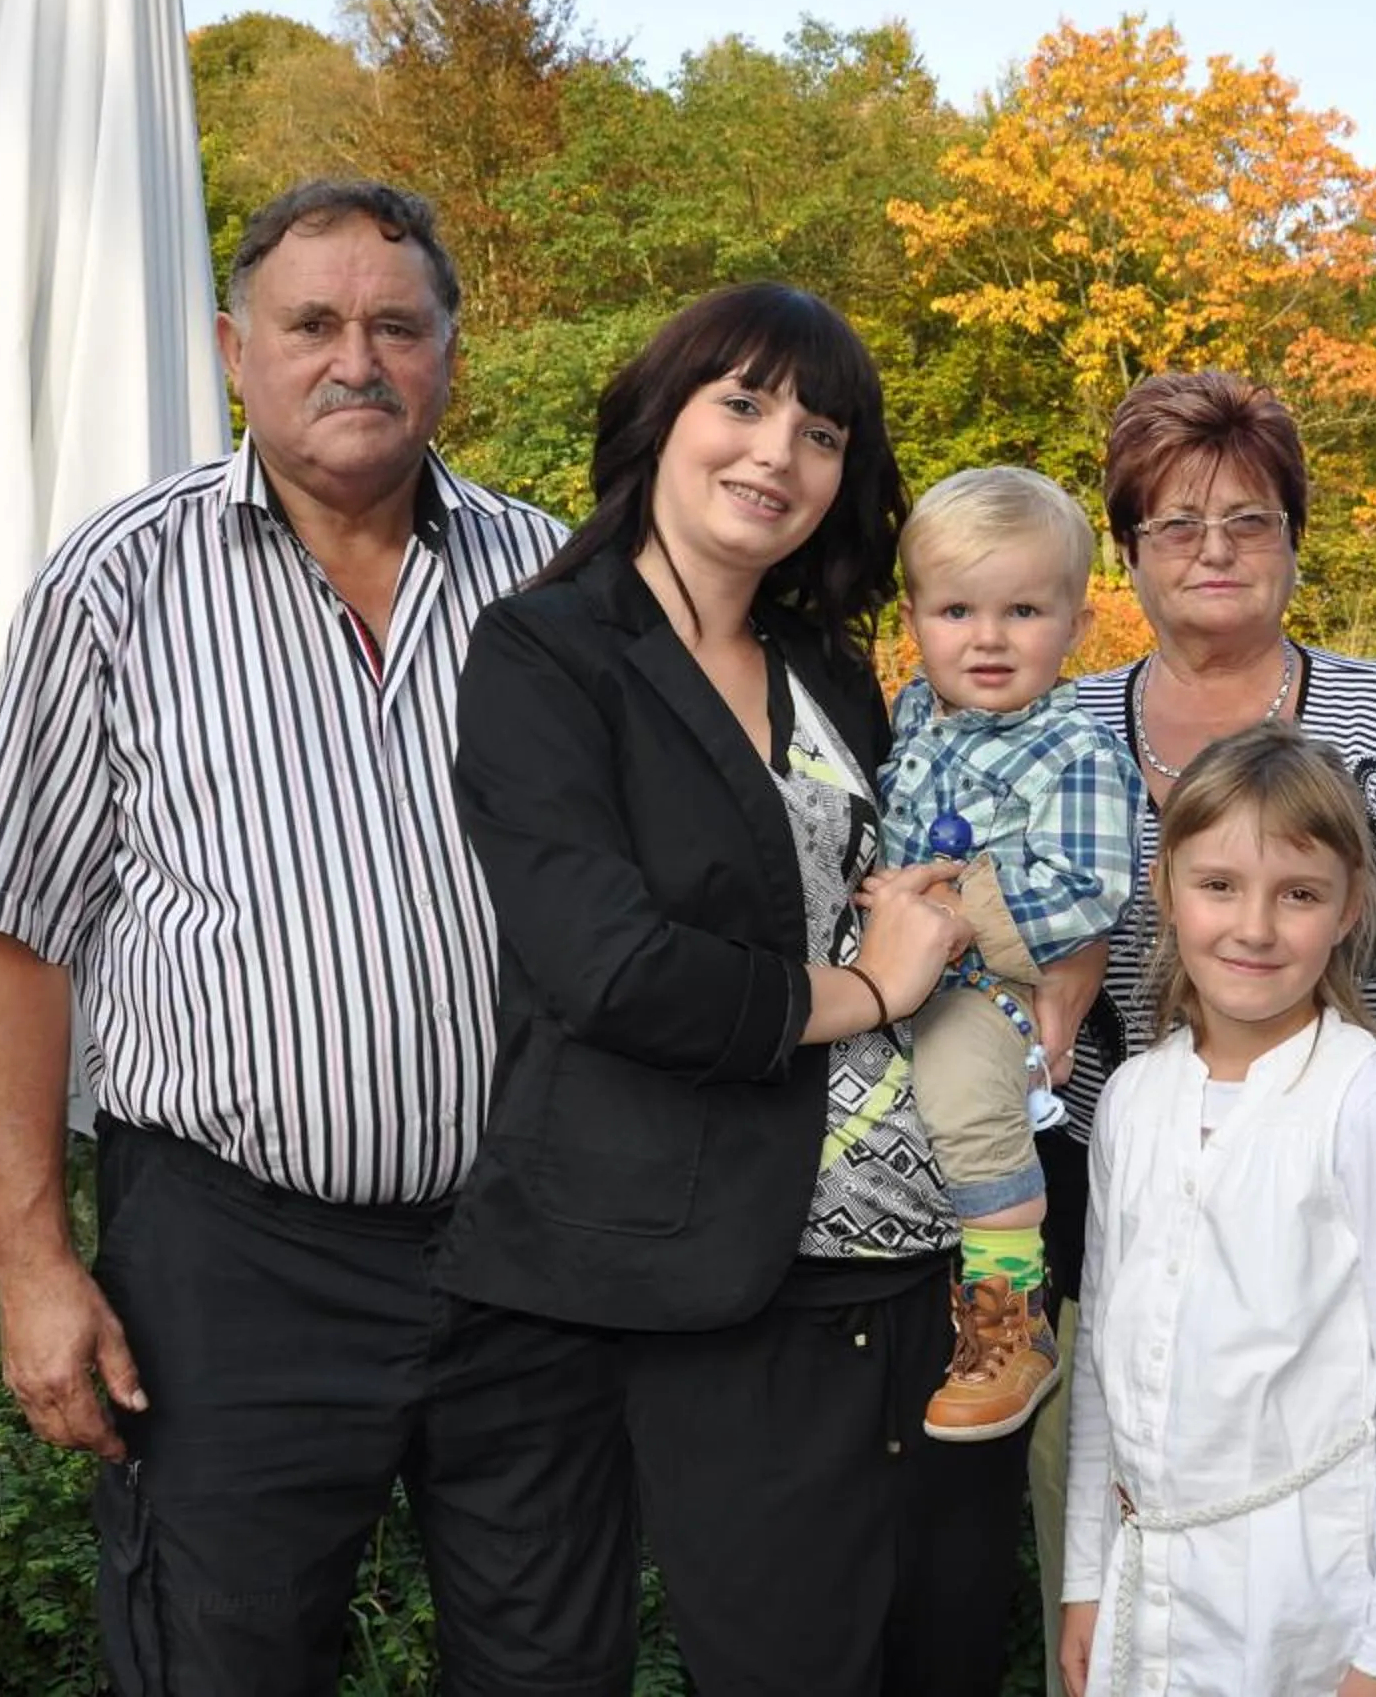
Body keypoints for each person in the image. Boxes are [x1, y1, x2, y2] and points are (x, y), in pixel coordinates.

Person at [0, 179, 578, 1694]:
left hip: (530, 1257)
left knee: (554, 1664)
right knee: (221, 1661)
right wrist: (32, 1266)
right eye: (312, 325)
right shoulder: (119, 581)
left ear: (450, 355)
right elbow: (13, 933)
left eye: (396, 327)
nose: (357, 360)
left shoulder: (555, 582)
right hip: (232, 1264)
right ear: (237, 351)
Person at [437, 282, 1028, 1695]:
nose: (778, 454)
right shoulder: (548, 651)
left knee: (939, 1658)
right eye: (745, 405)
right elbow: (610, 968)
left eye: (822, 434)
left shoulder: (830, 665)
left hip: (913, 1262)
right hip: (696, 1275)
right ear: (664, 415)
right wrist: (865, 991)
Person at [1027, 369, 1376, 1671]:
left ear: (1294, 537)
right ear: (1129, 552)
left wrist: (1323, 1137)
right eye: (1177, 524)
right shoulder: (1062, 728)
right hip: (1112, 1211)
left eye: (1250, 519)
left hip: (1321, 1232)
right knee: (1113, 1584)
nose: (1216, 549)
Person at [1057, 723, 1376, 1697]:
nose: (1254, 928)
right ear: (1164, 890)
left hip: (1303, 1600)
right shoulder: (1132, 1099)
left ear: (1350, 907)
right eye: (1219, 885)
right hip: (1144, 1586)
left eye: (1298, 895)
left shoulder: (1374, 1103)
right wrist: (1085, 1580)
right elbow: (1102, 1367)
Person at [876, 467, 1147, 1442]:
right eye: (957, 611)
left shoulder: (1074, 749)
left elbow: (1090, 886)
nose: (987, 638)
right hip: (892, 971)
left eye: (1023, 611)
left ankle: (1010, 1325)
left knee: (963, 1096)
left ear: (1076, 625)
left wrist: (956, 915)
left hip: (988, 985)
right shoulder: (918, 712)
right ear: (914, 619)